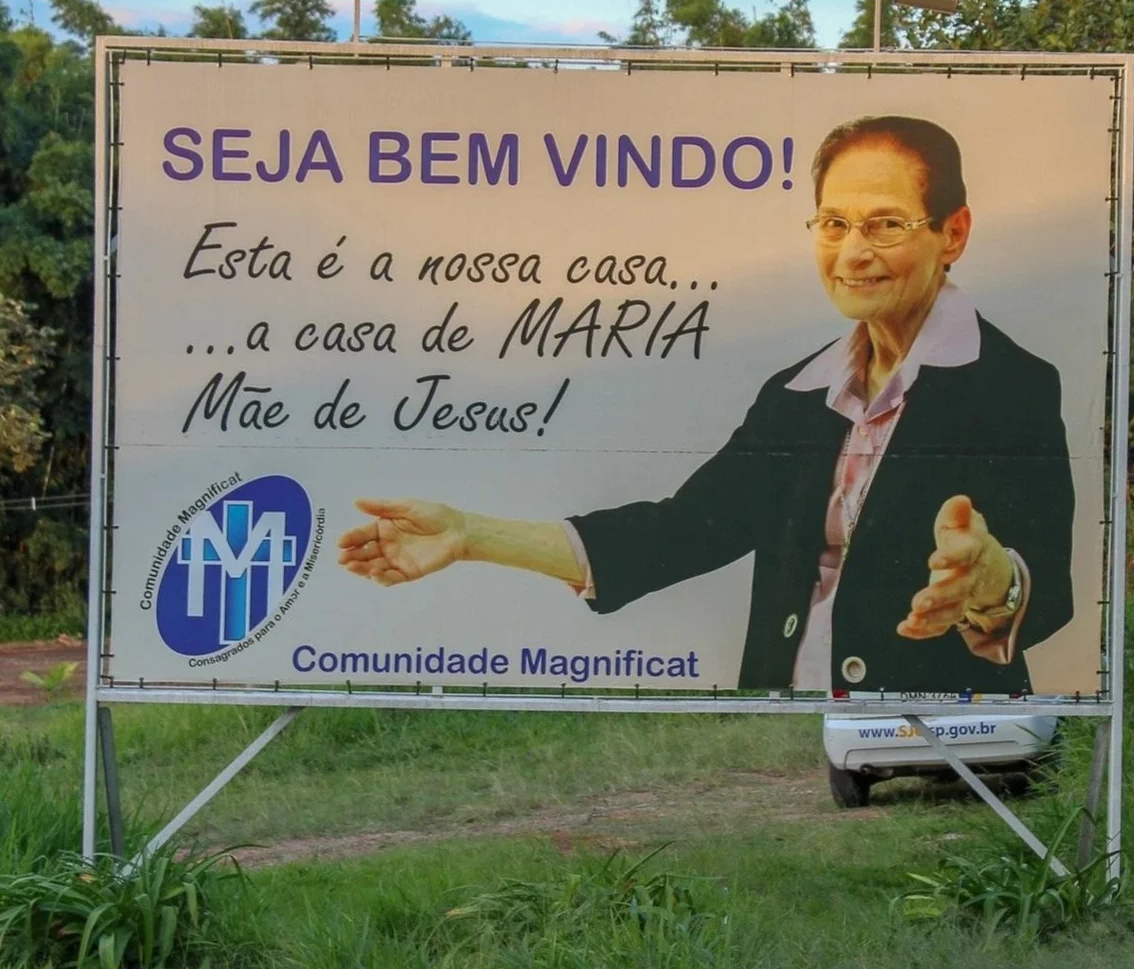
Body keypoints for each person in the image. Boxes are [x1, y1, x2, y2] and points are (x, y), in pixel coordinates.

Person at [338, 115, 1074, 694]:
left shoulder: (1012, 384)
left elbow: (1049, 586)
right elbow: (681, 532)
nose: (853, 251)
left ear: (954, 233)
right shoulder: (798, 397)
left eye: (886, 223)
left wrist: (992, 583)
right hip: (783, 760)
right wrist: (470, 534)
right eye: (834, 223)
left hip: (943, 757)